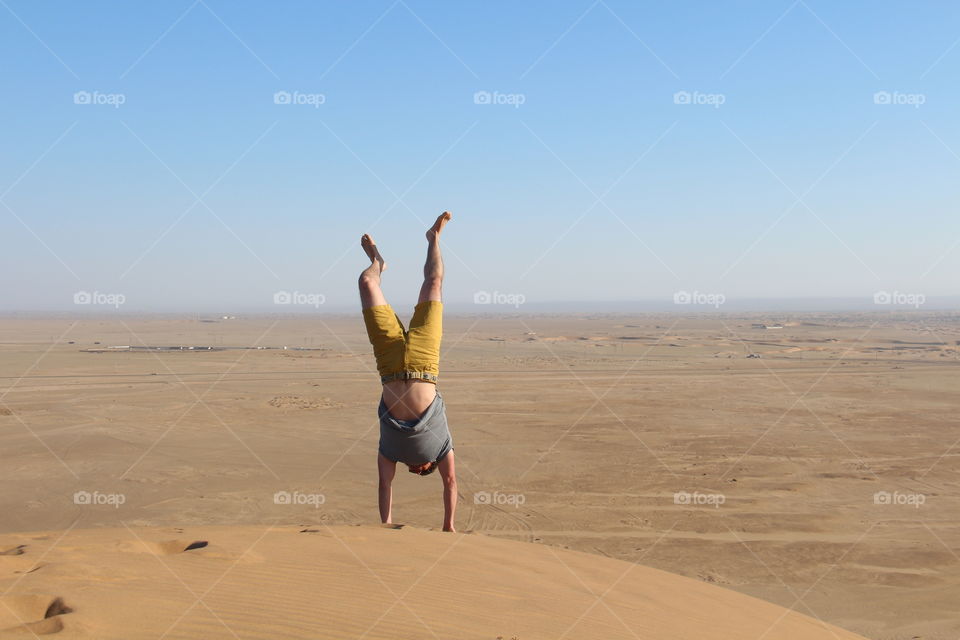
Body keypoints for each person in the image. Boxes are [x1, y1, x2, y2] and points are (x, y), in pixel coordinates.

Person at [358, 212, 457, 532]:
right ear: (429, 465)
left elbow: (385, 485)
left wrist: (386, 524)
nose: (417, 470)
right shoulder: (440, 449)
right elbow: (451, 482)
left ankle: (377, 260)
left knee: (367, 282)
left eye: (415, 472)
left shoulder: (391, 450)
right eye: (424, 471)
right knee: (434, 283)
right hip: (425, 364)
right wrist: (449, 526)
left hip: (388, 365)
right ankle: (434, 239)